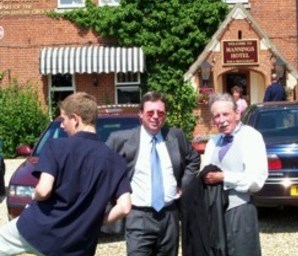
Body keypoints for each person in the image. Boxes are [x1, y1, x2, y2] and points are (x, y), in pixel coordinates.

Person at [0, 92, 132, 256]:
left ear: (75, 119)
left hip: (38, 230)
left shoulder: (56, 147)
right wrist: (95, 221)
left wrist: (33, 198)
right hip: (78, 245)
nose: (62, 125)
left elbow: (43, 190)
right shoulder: (116, 161)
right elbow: (125, 207)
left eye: (63, 120)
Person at [106, 91, 200, 256]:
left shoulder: (175, 136)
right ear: (141, 114)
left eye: (160, 113)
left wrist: (183, 185)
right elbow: (104, 169)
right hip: (138, 216)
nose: (155, 117)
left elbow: (194, 160)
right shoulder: (120, 140)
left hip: (169, 216)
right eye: (150, 112)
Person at [200, 93, 268, 256]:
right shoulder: (213, 142)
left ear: (237, 114)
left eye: (225, 114)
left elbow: (256, 180)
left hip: (240, 210)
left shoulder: (251, 137)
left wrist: (224, 177)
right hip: (214, 211)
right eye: (217, 116)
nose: (221, 120)